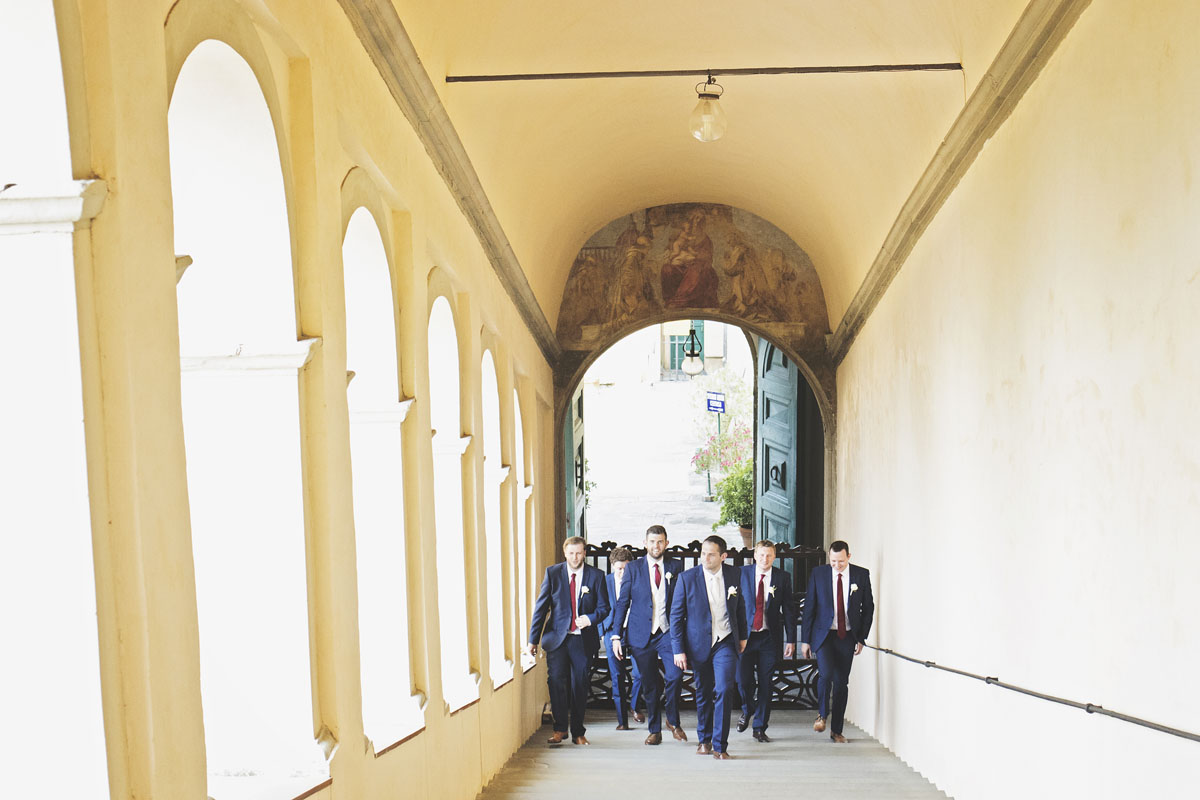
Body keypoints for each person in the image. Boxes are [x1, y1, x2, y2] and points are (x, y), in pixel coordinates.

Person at [670, 535, 747, 759]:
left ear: (723, 556)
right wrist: (678, 649)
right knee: (703, 692)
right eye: (703, 553)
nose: (705, 557)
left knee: (724, 689)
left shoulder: (734, 574)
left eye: (711, 554)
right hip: (698, 643)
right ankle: (704, 739)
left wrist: (742, 636)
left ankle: (720, 745)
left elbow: (740, 606)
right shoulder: (687, 578)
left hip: (725, 641)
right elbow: (676, 617)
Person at [528, 536, 610, 745]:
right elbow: (541, 607)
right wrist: (533, 640)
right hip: (557, 638)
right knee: (556, 681)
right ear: (565, 553)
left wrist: (590, 619)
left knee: (580, 684)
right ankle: (560, 729)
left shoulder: (596, 576)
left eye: (579, 553)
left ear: (584, 553)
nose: (575, 557)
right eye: (571, 553)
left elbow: (604, 608)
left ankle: (578, 732)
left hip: (582, 640)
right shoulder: (553, 573)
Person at [611, 525, 687, 745]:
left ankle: (672, 721)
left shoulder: (675, 566)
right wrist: (616, 635)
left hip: (667, 633)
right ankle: (655, 730)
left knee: (674, 675)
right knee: (650, 683)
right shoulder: (633, 568)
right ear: (645, 543)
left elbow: (681, 602)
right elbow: (623, 602)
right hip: (640, 634)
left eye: (660, 541)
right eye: (652, 541)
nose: (656, 546)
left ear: (667, 543)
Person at [800, 540, 874, 743]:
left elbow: (868, 608)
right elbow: (810, 608)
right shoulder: (819, 574)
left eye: (841, 561)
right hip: (824, 634)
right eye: (833, 561)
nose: (837, 565)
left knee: (842, 682)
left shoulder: (861, 574)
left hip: (847, 635)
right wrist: (805, 640)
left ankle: (837, 730)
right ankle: (822, 714)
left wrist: (862, 637)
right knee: (826, 673)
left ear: (849, 556)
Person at [735, 540, 796, 742]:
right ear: (755, 556)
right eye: (761, 555)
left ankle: (760, 727)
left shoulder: (782, 577)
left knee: (766, 683)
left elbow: (788, 610)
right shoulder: (741, 574)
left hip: (769, 638)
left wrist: (791, 640)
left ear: (774, 556)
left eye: (769, 555)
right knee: (743, 681)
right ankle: (748, 708)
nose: (765, 559)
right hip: (746, 637)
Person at [599, 546, 645, 729]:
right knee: (616, 675)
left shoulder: (638, 580)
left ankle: (634, 707)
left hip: (634, 630)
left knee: (640, 673)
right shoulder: (605, 582)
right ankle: (621, 720)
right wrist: (603, 630)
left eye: (626, 568)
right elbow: (599, 606)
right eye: (619, 569)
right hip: (612, 632)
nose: (622, 572)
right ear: (612, 567)